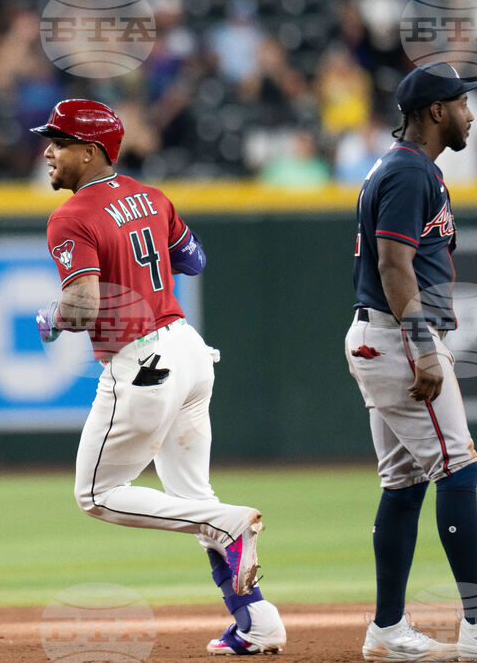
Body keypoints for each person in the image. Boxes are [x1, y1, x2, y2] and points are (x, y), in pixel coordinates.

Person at [31, 99, 286, 656]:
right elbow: (192, 260)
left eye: (59, 140)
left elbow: (79, 307)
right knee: (190, 494)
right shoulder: (152, 196)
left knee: (96, 494)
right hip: (189, 352)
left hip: (143, 362)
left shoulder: (70, 216)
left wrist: (51, 318)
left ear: (92, 150)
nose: (47, 150)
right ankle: (257, 622)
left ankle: (229, 524)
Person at [345, 62, 477, 662]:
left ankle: (387, 630)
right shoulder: (411, 172)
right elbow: (393, 266)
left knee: (404, 484)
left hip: (377, 336)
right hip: (397, 338)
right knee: (459, 471)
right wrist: (420, 347)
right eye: (462, 104)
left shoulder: (403, 168)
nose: (470, 114)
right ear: (436, 111)